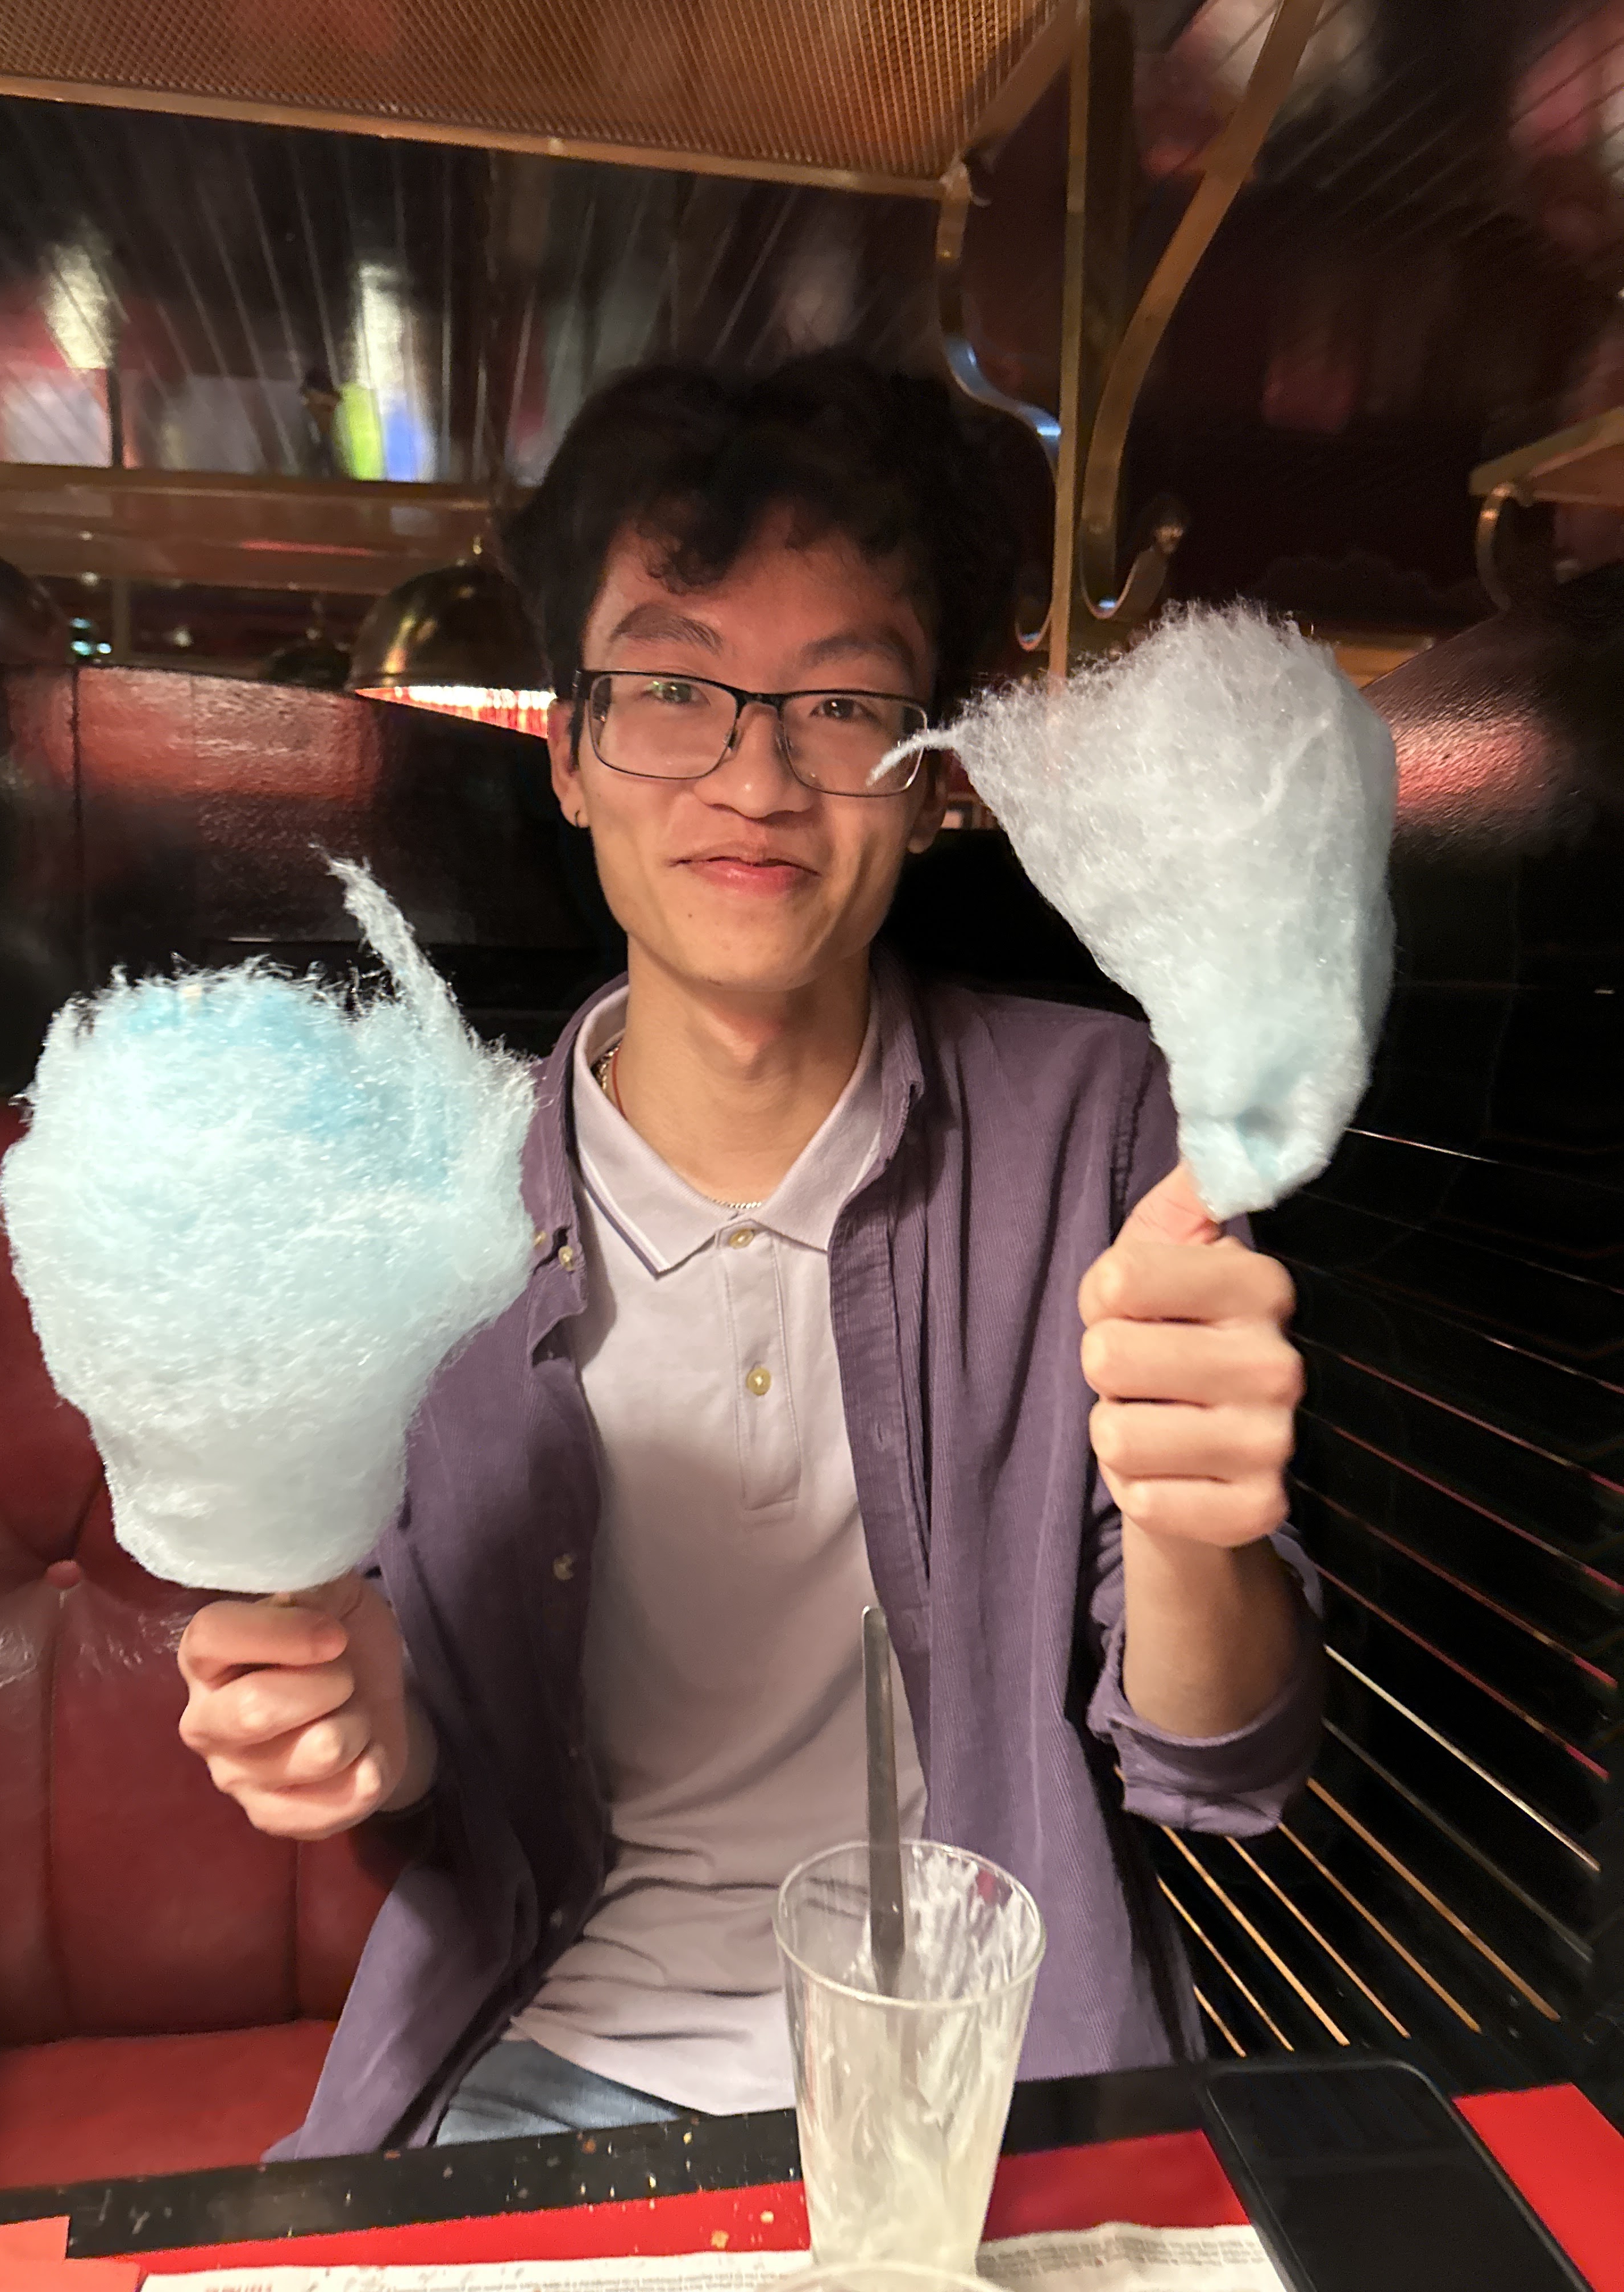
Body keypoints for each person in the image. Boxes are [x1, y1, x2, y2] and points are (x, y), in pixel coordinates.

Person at [177, 354, 1323, 2158]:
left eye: (844, 703)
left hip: (992, 2074)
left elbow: (1225, 1762)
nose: (756, 776)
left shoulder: (1108, 1130)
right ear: (570, 752)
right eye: (670, 689)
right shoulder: (415, 1201)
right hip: (546, 2059)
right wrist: (355, 1730)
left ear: (933, 781)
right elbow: (401, 1748)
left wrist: (1199, 1527)